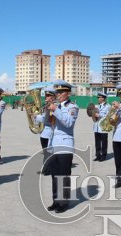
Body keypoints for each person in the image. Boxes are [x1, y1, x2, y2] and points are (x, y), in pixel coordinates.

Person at [46, 80, 79, 213]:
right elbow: (47, 123)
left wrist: (55, 110)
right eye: (57, 92)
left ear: (68, 93)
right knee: (54, 175)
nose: (59, 94)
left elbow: (68, 123)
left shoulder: (73, 107)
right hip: (54, 144)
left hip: (65, 145)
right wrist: (43, 113)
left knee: (63, 176)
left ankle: (63, 203)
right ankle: (55, 201)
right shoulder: (56, 106)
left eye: (61, 92)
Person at [35, 87, 57, 175]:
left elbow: (45, 119)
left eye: (48, 96)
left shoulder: (53, 106)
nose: (46, 97)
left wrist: (35, 117)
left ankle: (47, 169)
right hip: (44, 133)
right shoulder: (46, 106)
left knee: (48, 152)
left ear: (52, 97)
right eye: (46, 95)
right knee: (45, 152)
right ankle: (46, 168)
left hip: (50, 132)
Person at [93, 92, 111, 162]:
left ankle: (103, 155)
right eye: (98, 97)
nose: (98, 99)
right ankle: (98, 155)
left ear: (103, 98)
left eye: (99, 97)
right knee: (97, 142)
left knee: (104, 142)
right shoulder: (96, 106)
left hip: (103, 126)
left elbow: (108, 116)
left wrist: (99, 115)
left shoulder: (108, 106)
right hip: (96, 126)